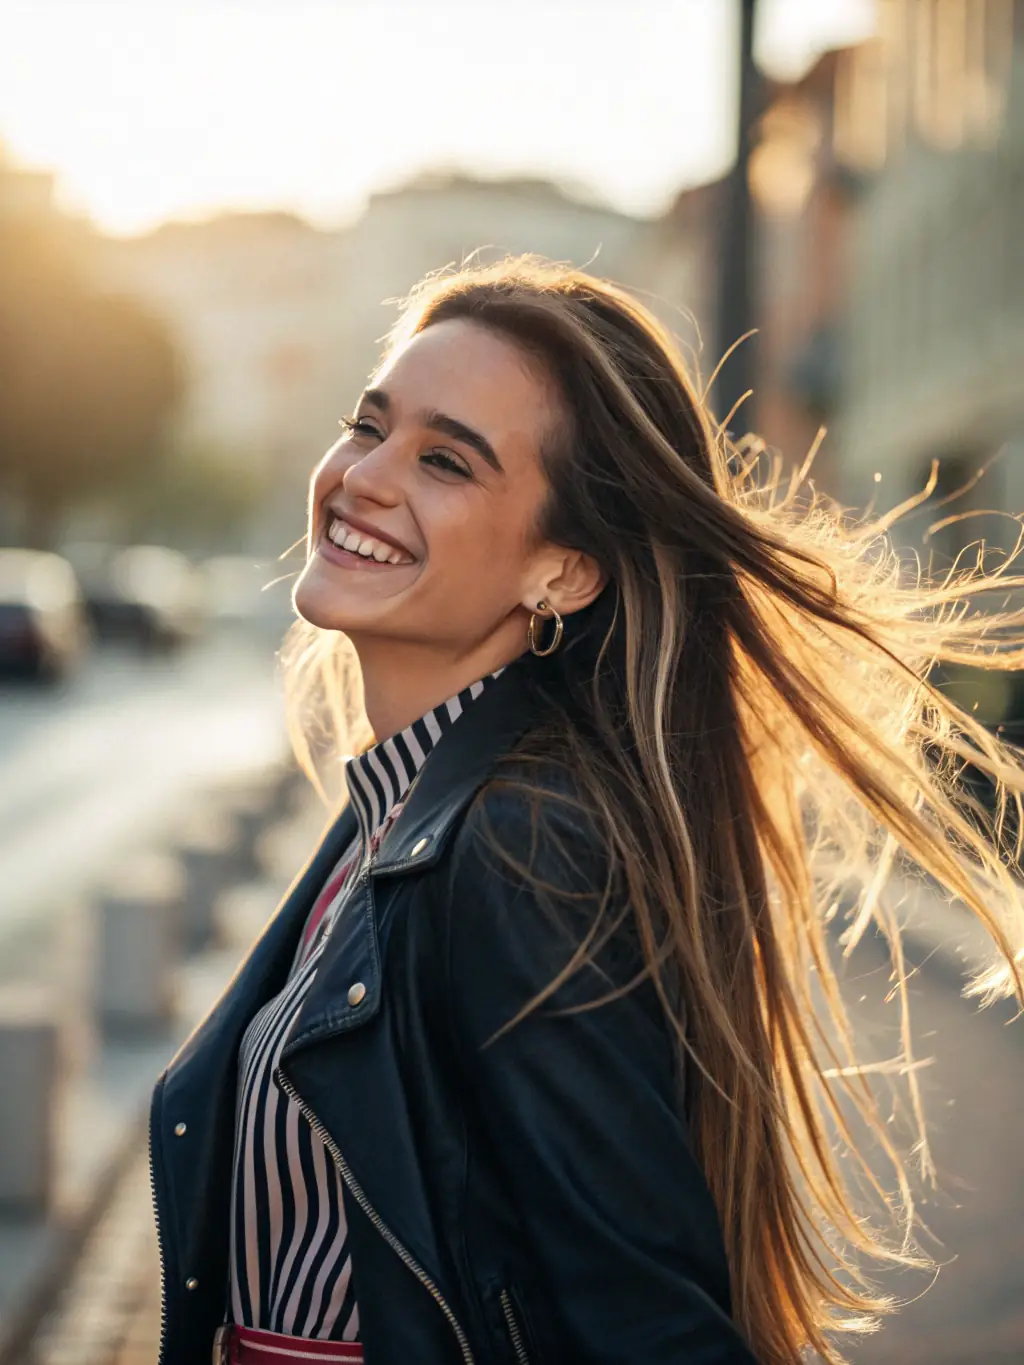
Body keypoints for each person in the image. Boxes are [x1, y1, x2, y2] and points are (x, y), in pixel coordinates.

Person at [150, 257, 1024, 1365]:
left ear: (563, 573)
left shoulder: (519, 845)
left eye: (446, 462)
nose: (365, 476)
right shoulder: (399, 812)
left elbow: (645, 1325)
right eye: (369, 427)